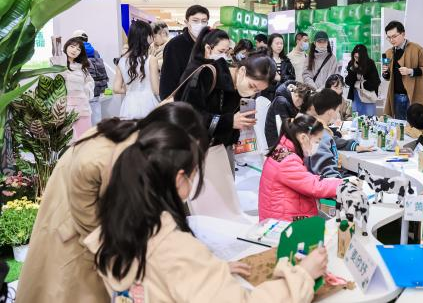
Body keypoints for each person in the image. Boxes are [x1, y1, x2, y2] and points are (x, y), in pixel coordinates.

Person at [85, 121, 325, 302]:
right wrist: (302, 275)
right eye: (195, 172)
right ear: (180, 179)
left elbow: (163, 283)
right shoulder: (176, 249)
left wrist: (210, 273)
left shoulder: (115, 232)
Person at [16, 103, 208, 303]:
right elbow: (100, 231)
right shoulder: (103, 159)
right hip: (74, 243)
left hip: (92, 241)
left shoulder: (141, 149)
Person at [177, 30, 276, 173]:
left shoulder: (240, 88)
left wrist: (235, 133)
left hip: (221, 151)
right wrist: (229, 122)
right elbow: (188, 115)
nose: (252, 92)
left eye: (257, 90)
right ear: (242, 71)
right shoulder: (208, 74)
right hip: (195, 149)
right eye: (251, 86)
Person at [259, 114, 343, 222]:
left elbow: (305, 179)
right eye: (317, 141)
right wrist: (343, 185)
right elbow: (315, 187)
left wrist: (330, 181)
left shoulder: (282, 151)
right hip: (284, 223)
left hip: (279, 215)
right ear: (303, 138)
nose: (317, 146)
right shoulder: (288, 161)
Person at [305, 89, 370, 178]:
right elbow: (326, 172)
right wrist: (342, 182)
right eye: (337, 110)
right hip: (332, 180)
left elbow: (334, 140)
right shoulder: (320, 135)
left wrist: (354, 146)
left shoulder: (316, 127)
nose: (337, 113)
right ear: (330, 112)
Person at [381, 21, 423, 119]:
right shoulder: (389, 53)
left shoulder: (417, 49)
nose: (391, 40)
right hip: (396, 96)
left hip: (413, 95)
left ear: (403, 34)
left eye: (394, 36)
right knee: (400, 125)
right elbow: (387, 77)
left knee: (415, 124)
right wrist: (385, 73)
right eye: (389, 37)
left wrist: (410, 71)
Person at [160, 5, 210, 99]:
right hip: (182, 100)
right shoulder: (175, 45)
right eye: (195, 21)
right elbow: (167, 80)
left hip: (205, 100)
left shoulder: (209, 43)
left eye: (204, 21)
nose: (200, 24)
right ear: (186, 23)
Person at [113, 21, 159, 119]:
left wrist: (131, 90)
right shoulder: (151, 60)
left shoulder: (121, 60)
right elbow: (156, 90)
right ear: (146, 37)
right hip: (148, 104)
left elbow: (116, 89)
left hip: (129, 105)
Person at [56, 37, 95, 140]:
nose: (74, 50)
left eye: (78, 49)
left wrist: (84, 91)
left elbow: (90, 82)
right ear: (66, 47)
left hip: (83, 108)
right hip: (65, 109)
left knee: (84, 139)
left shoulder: (81, 67)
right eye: (72, 46)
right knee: (68, 140)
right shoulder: (60, 65)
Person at [72, 30, 109, 126]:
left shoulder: (76, 52)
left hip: (84, 90)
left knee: (83, 121)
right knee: (96, 117)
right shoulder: (95, 52)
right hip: (97, 89)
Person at [265, 81, 315, 149]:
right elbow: (285, 128)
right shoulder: (281, 102)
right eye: (302, 105)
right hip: (277, 143)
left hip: (286, 139)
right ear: (297, 95)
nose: (303, 108)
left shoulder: (292, 102)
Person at [345, 44, 380, 117]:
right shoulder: (351, 63)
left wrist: (363, 84)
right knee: (356, 116)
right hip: (356, 94)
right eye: (355, 56)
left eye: (358, 57)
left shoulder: (370, 63)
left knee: (369, 116)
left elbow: (376, 81)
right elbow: (348, 81)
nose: (356, 58)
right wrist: (353, 69)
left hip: (367, 94)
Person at [260, 33, 295, 100]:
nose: (279, 46)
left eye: (281, 43)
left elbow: (292, 78)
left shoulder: (286, 61)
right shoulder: (265, 60)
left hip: (283, 95)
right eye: (277, 43)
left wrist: (280, 78)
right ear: (270, 44)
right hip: (267, 96)